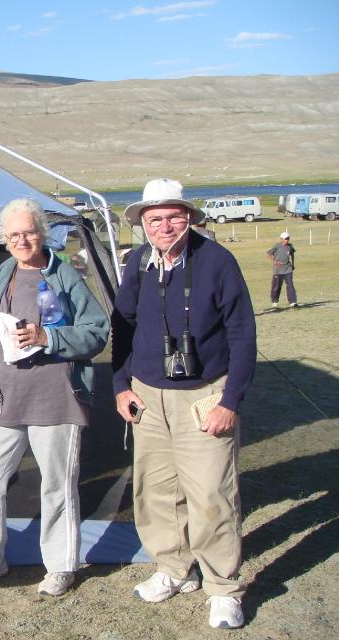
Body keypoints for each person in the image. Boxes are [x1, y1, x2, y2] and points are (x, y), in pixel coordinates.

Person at [112, 178, 256, 630]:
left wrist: (230, 400)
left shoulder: (217, 261)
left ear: (189, 218)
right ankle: (174, 568)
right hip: (148, 397)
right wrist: (121, 385)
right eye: (155, 219)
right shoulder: (138, 262)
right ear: (143, 224)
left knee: (212, 493)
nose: (165, 226)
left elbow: (243, 335)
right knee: (156, 493)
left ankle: (223, 587)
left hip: (204, 396)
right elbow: (124, 328)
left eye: (174, 216)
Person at [0, 198, 109, 596]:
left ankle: (61, 566)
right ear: (3, 240)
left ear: (42, 233)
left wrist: (50, 338)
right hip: (3, 401)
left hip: (57, 399)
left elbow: (97, 331)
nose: (21, 240)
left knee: (57, 486)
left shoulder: (63, 275)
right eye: (13, 235)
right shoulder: (1, 275)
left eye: (28, 232)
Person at [267, 231, 297, 308]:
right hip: (278, 270)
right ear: (282, 239)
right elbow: (269, 253)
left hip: (288, 269)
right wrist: (275, 261)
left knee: (290, 285)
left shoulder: (290, 246)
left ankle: (293, 301)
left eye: (288, 238)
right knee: (276, 286)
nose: (287, 240)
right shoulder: (277, 246)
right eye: (286, 239)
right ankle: (274, 300)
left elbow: (292, 254)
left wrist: (293, 264)